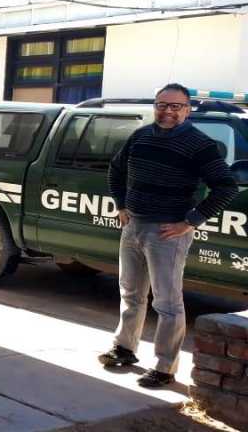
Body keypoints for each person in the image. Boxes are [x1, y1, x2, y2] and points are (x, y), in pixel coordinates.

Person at [101, 83, 238, 388]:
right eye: (162, 104)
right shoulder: (141, 136)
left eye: (176, 106)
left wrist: (191, 221)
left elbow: (225, 186)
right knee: (131, 294)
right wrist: (121, 205)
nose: (167, 111)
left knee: (167, 303)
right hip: (133, 225)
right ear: (155, 106)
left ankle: (165, 367)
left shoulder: (199, 144)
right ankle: (124, 349)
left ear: (188, 110)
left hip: (167, 233)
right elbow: (115, 170)